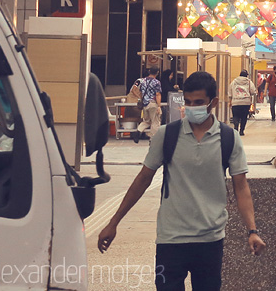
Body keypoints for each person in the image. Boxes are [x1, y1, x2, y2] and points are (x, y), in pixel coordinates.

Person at [97, 70, 266, 291]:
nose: (192, 107)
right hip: (171, 240)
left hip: (209, 240)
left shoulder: (228, 138)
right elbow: (143, 179)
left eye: (199, 102)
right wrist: (114, 222)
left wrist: (252, 231)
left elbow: (241, 188)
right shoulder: (167, 135)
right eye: (188, 102)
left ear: (213, 102)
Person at [133, 67, 163, 142]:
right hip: (153, 103)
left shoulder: (143, 81)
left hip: (145, 104)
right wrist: (159, 106)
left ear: (149, 71)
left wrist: (141, 98)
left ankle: (138, 131)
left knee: (146, 121)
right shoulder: (157, 82)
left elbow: (138, 91)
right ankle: (153, 139)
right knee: (155, 121)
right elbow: (158, 94)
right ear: (157, 72)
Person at [228, 70, 257, 135]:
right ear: (246, 75)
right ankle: (241, 131)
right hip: (246, 102)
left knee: (235, 116)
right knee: (244, 117)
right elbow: (253, 91)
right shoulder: (249, 82)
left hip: (235, 101)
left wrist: (230, 101)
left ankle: (236, 127)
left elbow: (230, 91)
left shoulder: (234, 81)